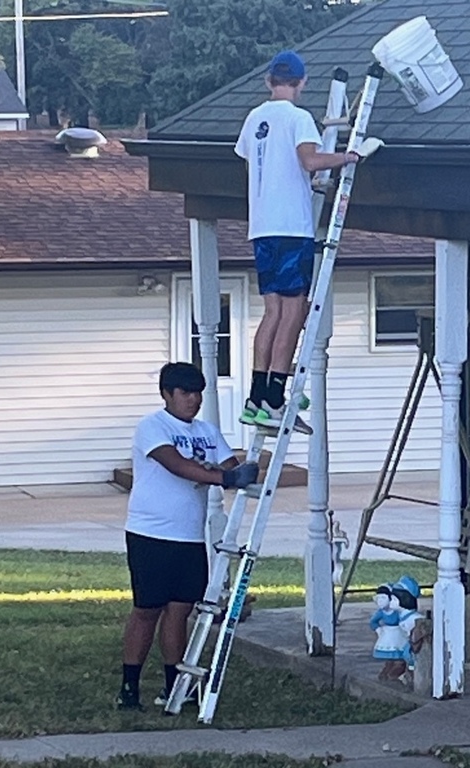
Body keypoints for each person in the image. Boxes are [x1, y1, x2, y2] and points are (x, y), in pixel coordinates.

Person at [116, 362, 259, 710]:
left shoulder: (207, 431)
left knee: (180, 611)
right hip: (150, 533)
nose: (193, 400)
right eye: (185, 393)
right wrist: (221, 478)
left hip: (189, 537)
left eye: (198, 393)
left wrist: (233, 471)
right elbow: (175, 464)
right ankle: (129, 687)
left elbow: (229, 466)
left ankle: (173, 685)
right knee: (147, 610)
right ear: (167, 394)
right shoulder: (152, 426)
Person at [234, 49, 362, 436]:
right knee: (296, 310)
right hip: (291, 226)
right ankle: (275, 397)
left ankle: (257, 397)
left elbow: (260, 162)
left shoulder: (255, 118)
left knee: (272, 311)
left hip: (262, 226)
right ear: (302, 82)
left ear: (268, 81)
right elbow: (309, 161)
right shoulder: (298, 118)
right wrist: (349, 157)